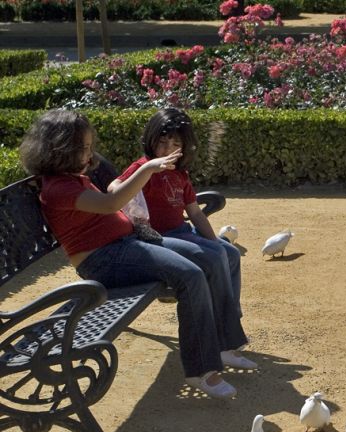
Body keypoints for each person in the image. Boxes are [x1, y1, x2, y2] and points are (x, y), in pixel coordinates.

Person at [19, 109, 247, 399]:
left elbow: (106, 185)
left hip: (128, 243)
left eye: (90, 147)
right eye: (84, 148)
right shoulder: (58, 188)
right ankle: (202, 371)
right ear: (62, 151)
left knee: (211, 257)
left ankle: (221, 345)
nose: (90, 155)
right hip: (104, 259)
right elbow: (112, 202)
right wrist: (148, 168)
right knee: (190, 275)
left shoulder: (71, 177)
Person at [109, 108, 243, 317]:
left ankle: (230, 314)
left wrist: (215, 242)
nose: (167, 150)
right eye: (162, 143)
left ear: (184, 148)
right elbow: (113, 188)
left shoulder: (179, 173)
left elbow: (196, 214)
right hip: (158, 238)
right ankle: (223, 321)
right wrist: (148, 169)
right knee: (216, 257)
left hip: (182, 231)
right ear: (151, 140)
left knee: (231, 254)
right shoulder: (143, 166)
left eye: (176, 145)